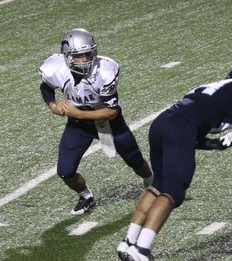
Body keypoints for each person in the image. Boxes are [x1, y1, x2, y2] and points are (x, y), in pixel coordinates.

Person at [117, 50, 232, 261]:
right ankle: (142, 249)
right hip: (180, 127)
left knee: (158, 186)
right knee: (174, 193)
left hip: (163, 124)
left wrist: (215, 145)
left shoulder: (215, 93)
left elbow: (191, 136)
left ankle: (129, 242)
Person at [38, 28, 153, 215]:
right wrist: (53, 105)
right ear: (67, 56)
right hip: (78, 126)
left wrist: (77, 113)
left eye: (88, 53)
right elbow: (46, 87)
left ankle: (152, 184)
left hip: (109, 123)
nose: (85, 59)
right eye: (79, 55)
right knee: (65, 171)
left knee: (135, 161)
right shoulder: (55, 69)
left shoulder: (105, 71)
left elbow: (111, 112)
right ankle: (86, 196)